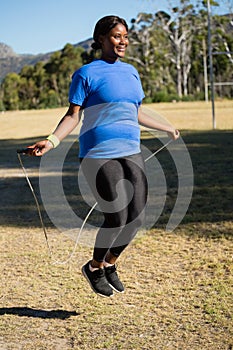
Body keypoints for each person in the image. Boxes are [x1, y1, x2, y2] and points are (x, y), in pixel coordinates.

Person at [28, 15, 180, 298]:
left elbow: (135, 111)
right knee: (116, 216)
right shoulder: (86, 74)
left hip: (131, 151)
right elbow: (73, 115)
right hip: (98, 154)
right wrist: (52, 140)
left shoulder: (132, 72)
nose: (122, 41)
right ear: (100, 39)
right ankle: (94, 267)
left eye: (125, 36)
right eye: (116, 36)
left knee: (136, 218)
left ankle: (110, 264)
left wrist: (167, 126)